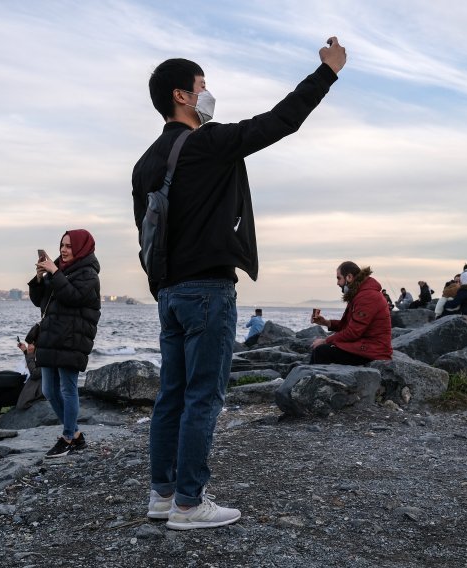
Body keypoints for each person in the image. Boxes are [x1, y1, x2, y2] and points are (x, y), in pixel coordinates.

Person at [132, 39, 346, 530]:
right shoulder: (208, 144)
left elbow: (143, 235)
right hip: (207, 290)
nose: (209, 94)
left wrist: (161, 287)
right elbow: (281, 120)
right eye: (203, 86)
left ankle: (162, 496)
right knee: (203, 396)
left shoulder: (146, 162)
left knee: (171, 396)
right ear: (182, 96)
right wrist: (327, 72)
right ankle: (190, 504)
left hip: (168, 293)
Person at [28, 230, 101, 459]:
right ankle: (76, 436)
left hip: (72, 339)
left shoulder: (89, 274)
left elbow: (73, 297)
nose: (63, 249)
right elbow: (40, 301)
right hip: (52, 338)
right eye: (62, 245)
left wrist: (55, 272)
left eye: (69, 246)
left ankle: (68, 437)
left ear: (81, 248)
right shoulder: (59, 270)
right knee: (49, 390)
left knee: (68, 389)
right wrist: (40, 277)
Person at [309, 262, 392, 364]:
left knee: (321, 351)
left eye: (339, 278)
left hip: (374, 351)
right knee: (322, 349)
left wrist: (325, 341)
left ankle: (316, 379)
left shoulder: (367, 296)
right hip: (367, 346)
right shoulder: (360, 294)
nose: (337, 283)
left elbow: (353, 332)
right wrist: (326, 322)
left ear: (349, 277)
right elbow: (349, 325)